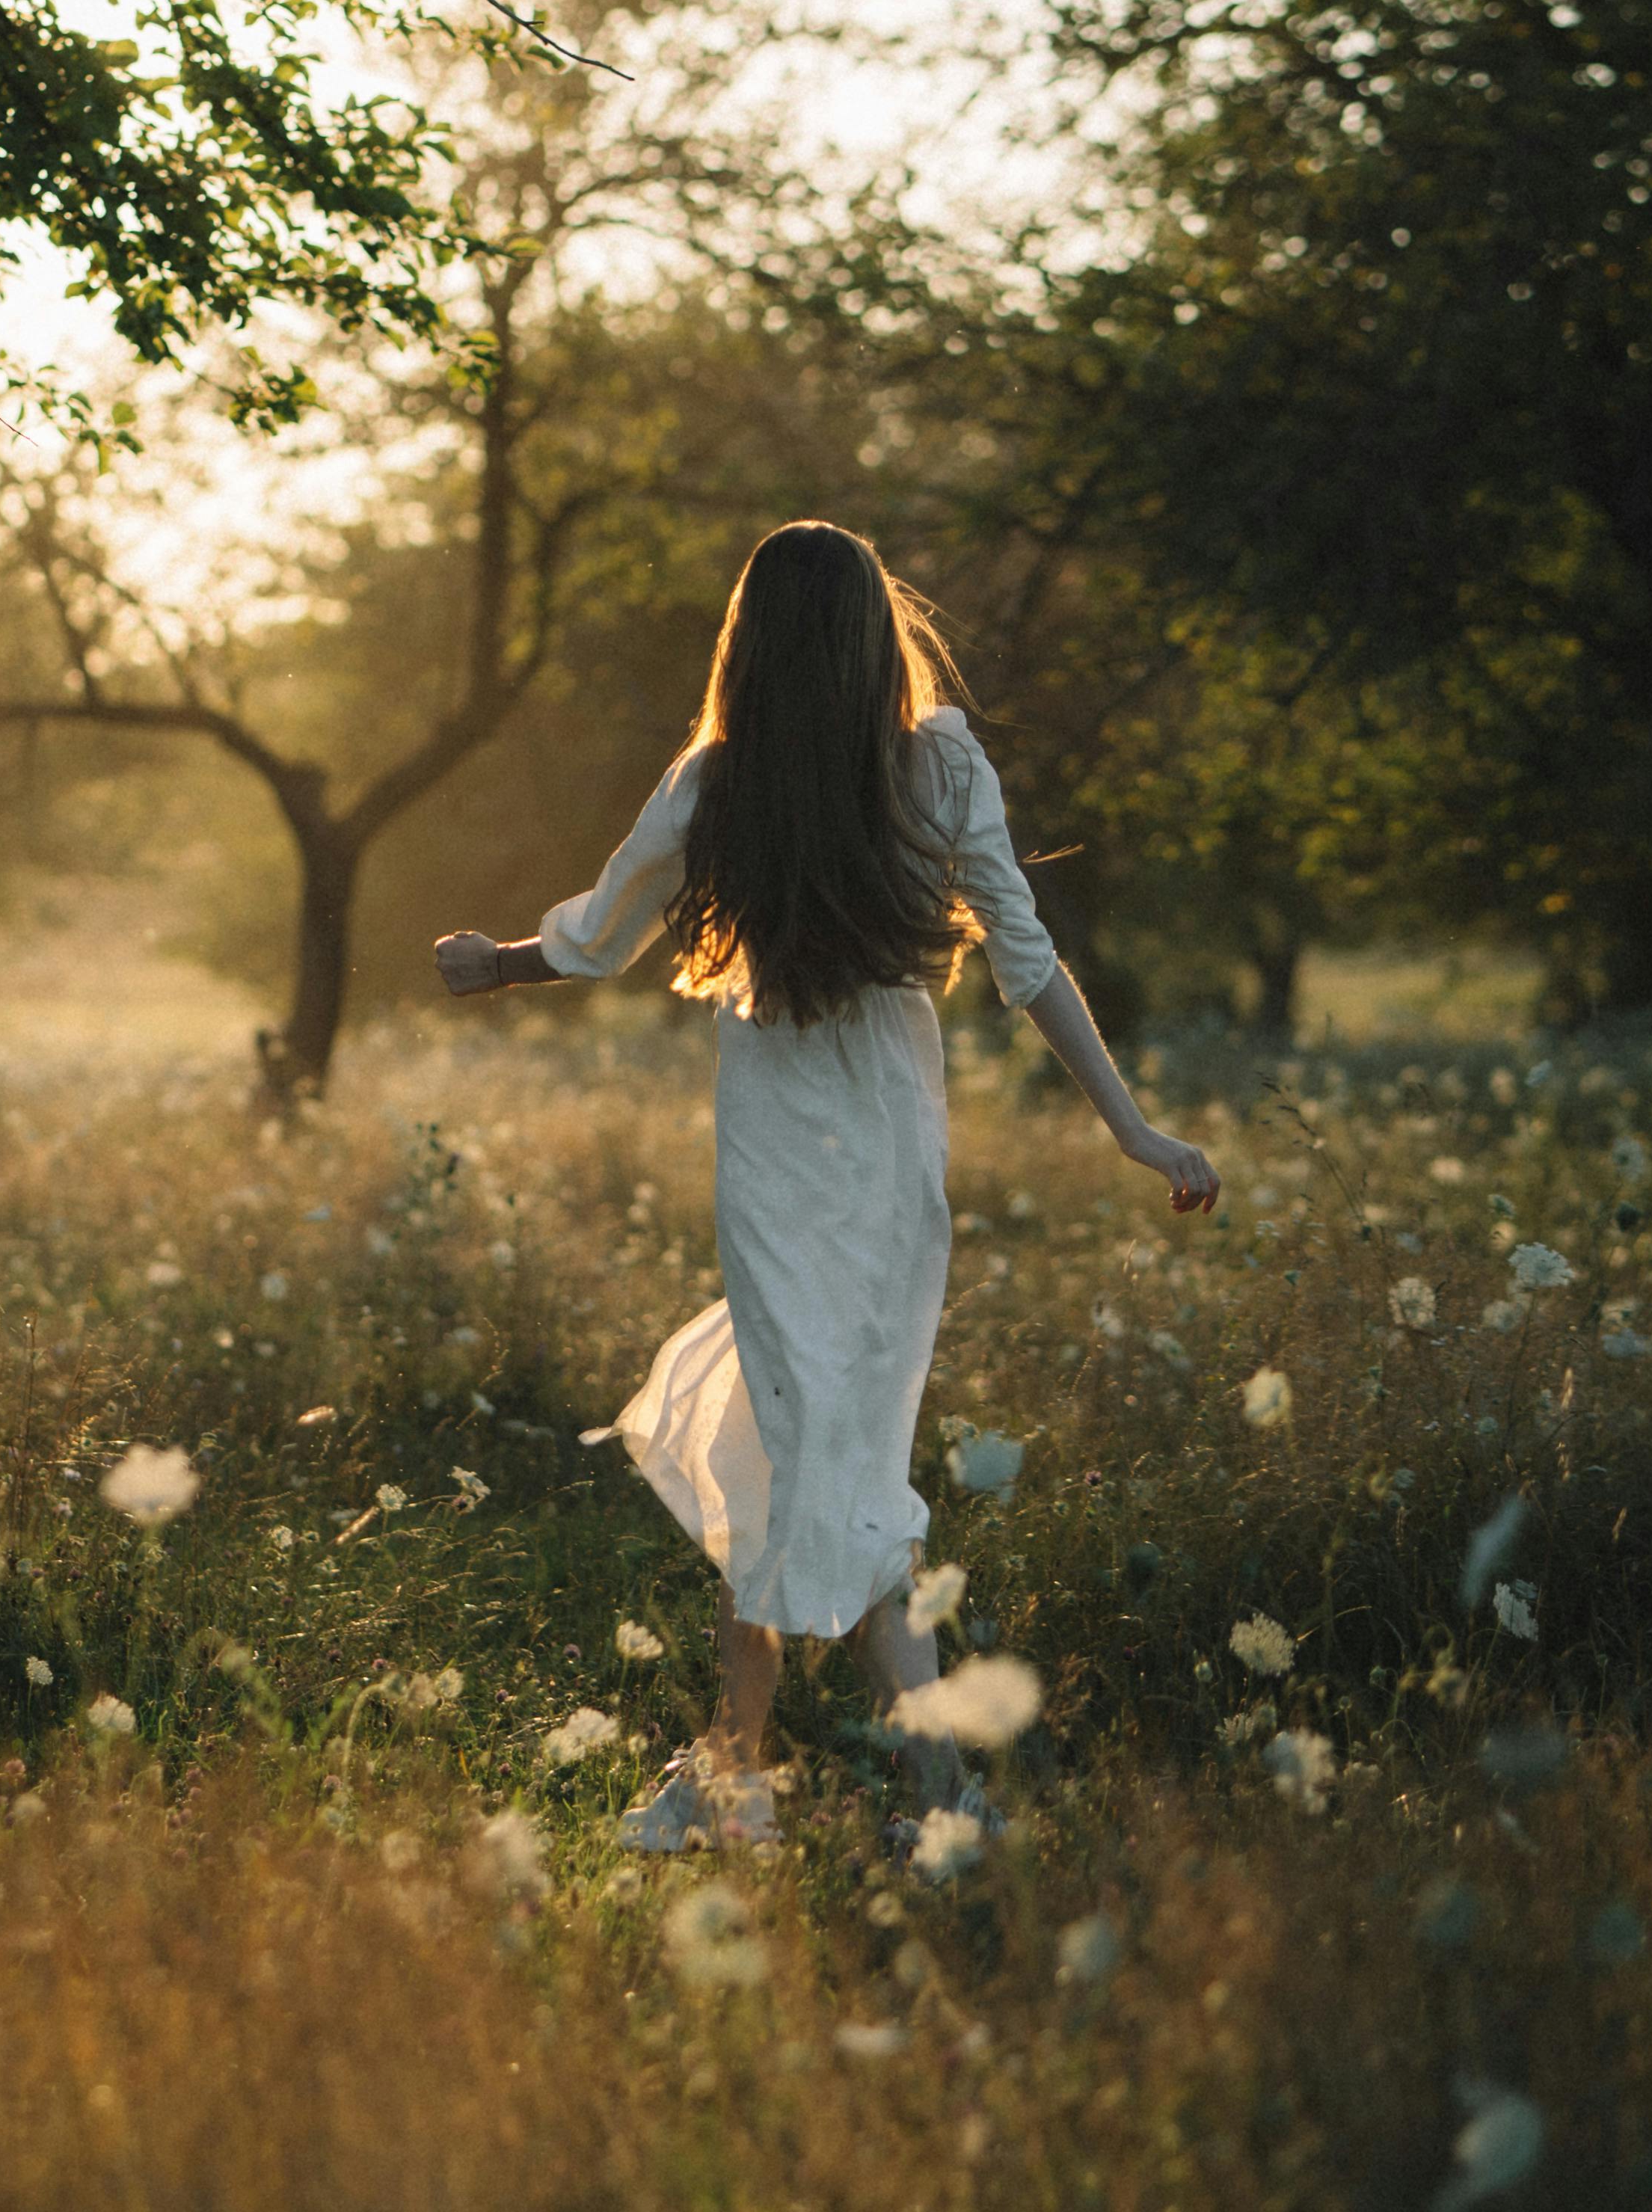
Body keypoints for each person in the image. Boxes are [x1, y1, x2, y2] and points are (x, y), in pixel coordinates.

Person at [434, 520, 1217, 1849]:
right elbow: (1025, 964)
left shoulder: (721, 779)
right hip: (877, 1153)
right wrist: (1132, 1128)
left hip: (790, 1153)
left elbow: (597, 938)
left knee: (819, 1459)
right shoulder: (919, 765)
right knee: (808, 1452)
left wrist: (491, 962)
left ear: (750, 641)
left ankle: (824, 1785)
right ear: (873, 635)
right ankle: (830, 1783)